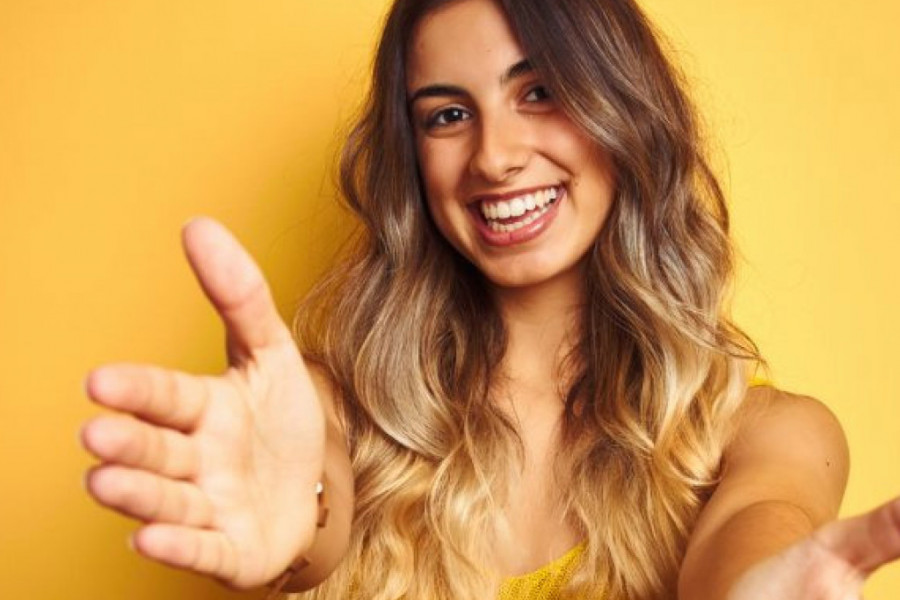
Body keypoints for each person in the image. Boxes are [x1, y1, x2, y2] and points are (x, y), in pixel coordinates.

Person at [80, 0, 900, 598]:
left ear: (624, 112)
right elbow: (311, 512)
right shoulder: (328, 411)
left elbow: (757, 538)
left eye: (539, 92)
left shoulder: (767, 433)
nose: (494, 157)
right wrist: (295, 520)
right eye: (446, 115)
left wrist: (761, 588)